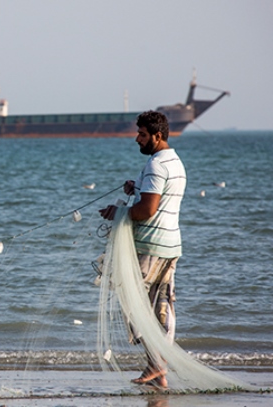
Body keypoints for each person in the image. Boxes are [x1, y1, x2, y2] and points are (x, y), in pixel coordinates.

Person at [99, 110, 186, 388]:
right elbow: (160, 198)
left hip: (150, 246)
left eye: (142, 135)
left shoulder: (156, 166)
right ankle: (158, 372)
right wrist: (137, 187)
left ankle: (155, 364)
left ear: (157, 136)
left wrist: (118, 212)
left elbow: (148, 210)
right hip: (171, 245)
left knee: (136, 305)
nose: (137, 139)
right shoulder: (175, 162)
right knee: (162, 307)